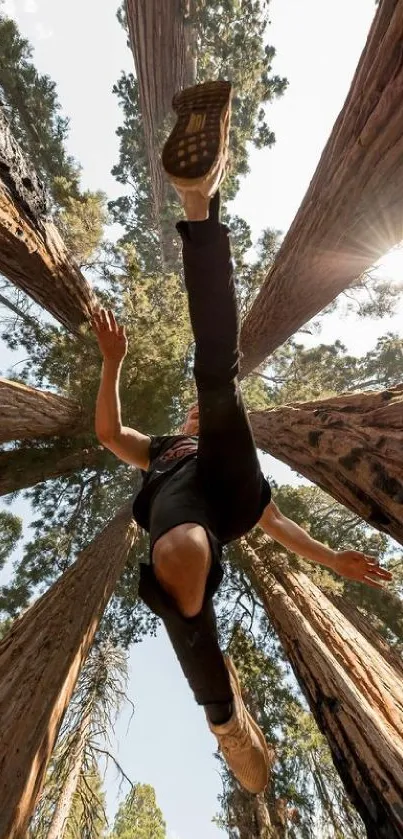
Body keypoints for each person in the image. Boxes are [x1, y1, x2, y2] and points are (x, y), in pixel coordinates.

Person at [92, 80, 392, 794]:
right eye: (185, 419)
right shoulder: (160, 448)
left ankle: (197, 200)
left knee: (218, 376)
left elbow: (278, 523)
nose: (187, 416)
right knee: (180, 551)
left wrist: (331, 559)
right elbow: (108, 433)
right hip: (185, 501)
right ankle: (224, 717)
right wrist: (113, 367)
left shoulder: (208, 424)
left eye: (189, 418)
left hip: (232, 483)